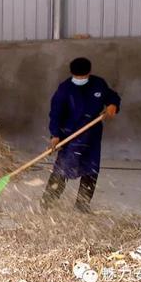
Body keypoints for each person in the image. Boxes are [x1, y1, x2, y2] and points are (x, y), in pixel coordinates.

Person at [41, 57, 121, 213]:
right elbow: (55, 113)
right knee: (62, 169)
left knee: (91, 169)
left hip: (92, 135)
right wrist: (55, 135)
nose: (80, 79)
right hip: (70, 135)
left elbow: (112, 96)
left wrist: (113, 105)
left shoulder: (98, 84)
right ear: (72, 73)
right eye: (77, 77)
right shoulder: (64, 89)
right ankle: (47, 203)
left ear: (89, 73)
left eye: (83, 76)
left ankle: (82, 205)